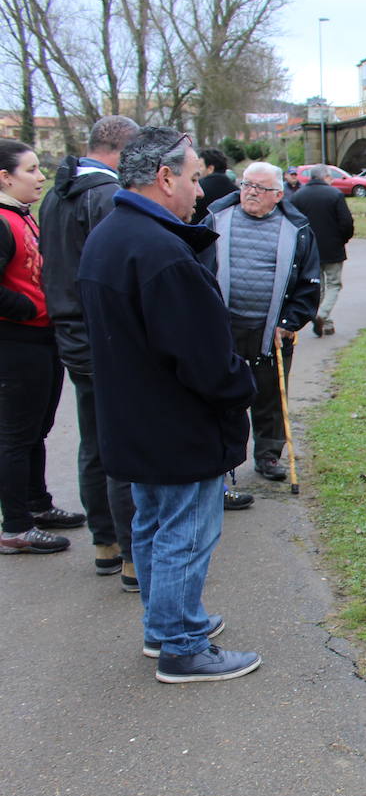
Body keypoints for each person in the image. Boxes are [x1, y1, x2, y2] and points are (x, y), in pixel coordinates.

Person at [78, 126, 260, 682]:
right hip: (174, 421)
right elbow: (202, 359)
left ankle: (167, 627)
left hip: (138, 416)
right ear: (165, 178)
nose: (200, 192)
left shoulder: (112, 234)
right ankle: (181, 644)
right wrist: (240, 388)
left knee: (155, 523)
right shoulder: (159, 251)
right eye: (194, 178)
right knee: (185, 528)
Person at [37, 115, 144, 580]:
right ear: (125, 150)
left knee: (95, 440)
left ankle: (105, 542)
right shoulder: (103, 196)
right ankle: (131, 555)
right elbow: (117, 270)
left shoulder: (57, 195)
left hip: (71, 332)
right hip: (100, 335)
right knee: (120, 445)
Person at [200, 162, 320, 483]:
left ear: (278, 195)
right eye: (247, 184)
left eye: (261, 188)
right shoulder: (214, 221)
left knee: (269, 396)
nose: (251, 192)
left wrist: (291, 321)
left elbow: (309, 283)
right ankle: (224, 460)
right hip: (223, 327)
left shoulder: (298, 230)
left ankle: (268, 455)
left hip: (274, 330)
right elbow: (195, 270)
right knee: (225, 396)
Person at [0, 140, 88, 555]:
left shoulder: (23, 216)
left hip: (40, 338)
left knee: (37, 429)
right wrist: (28, 307)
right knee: (16, 435)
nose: (40, 177)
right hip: (16, 343)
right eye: (31, 169)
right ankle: (15, 525)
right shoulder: (2, 221)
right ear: (5, 177)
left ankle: (37, 504)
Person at [292, 164, 354, 337]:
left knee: (317, 286)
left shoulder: (298, 196)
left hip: (308, 249)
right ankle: (322, 315)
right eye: (331, 177)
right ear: (325, 177)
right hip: (332, 247)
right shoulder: (335, 194)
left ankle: (325, 322)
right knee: (334, 284)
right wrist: (343, 239)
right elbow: (346, 222)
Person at [192, 147, 237, 223]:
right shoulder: (236, 192)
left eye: (200, 166)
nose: (198, 170)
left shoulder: (197, 189)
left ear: (210, 169)